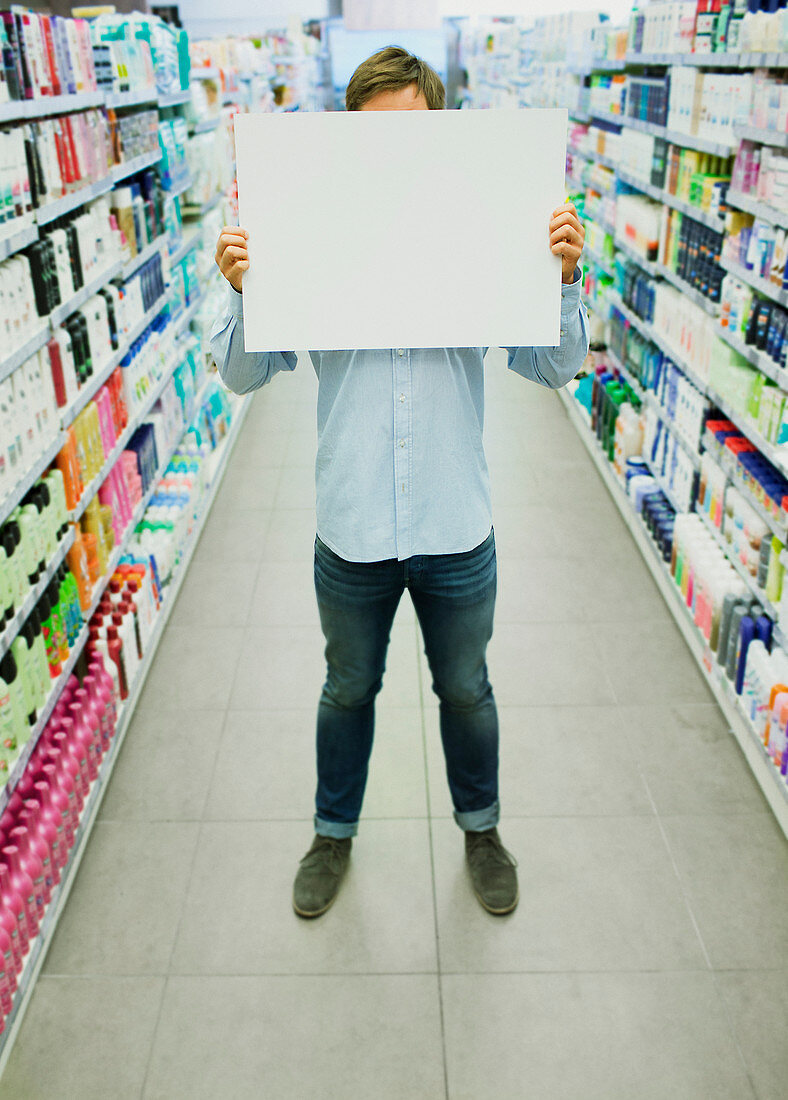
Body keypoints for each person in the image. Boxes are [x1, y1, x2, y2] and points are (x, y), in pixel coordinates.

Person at [210, 46, 588, 920]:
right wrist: (243, 290)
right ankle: (331, 831)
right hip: (352, 529)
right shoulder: (311, 237)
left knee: (467, 689)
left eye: (414, 136)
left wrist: (562, 277)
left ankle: (482, 828)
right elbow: (239, 375)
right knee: (348, 688)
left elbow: (555, 363)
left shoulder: (481, 231)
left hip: (457, 524)